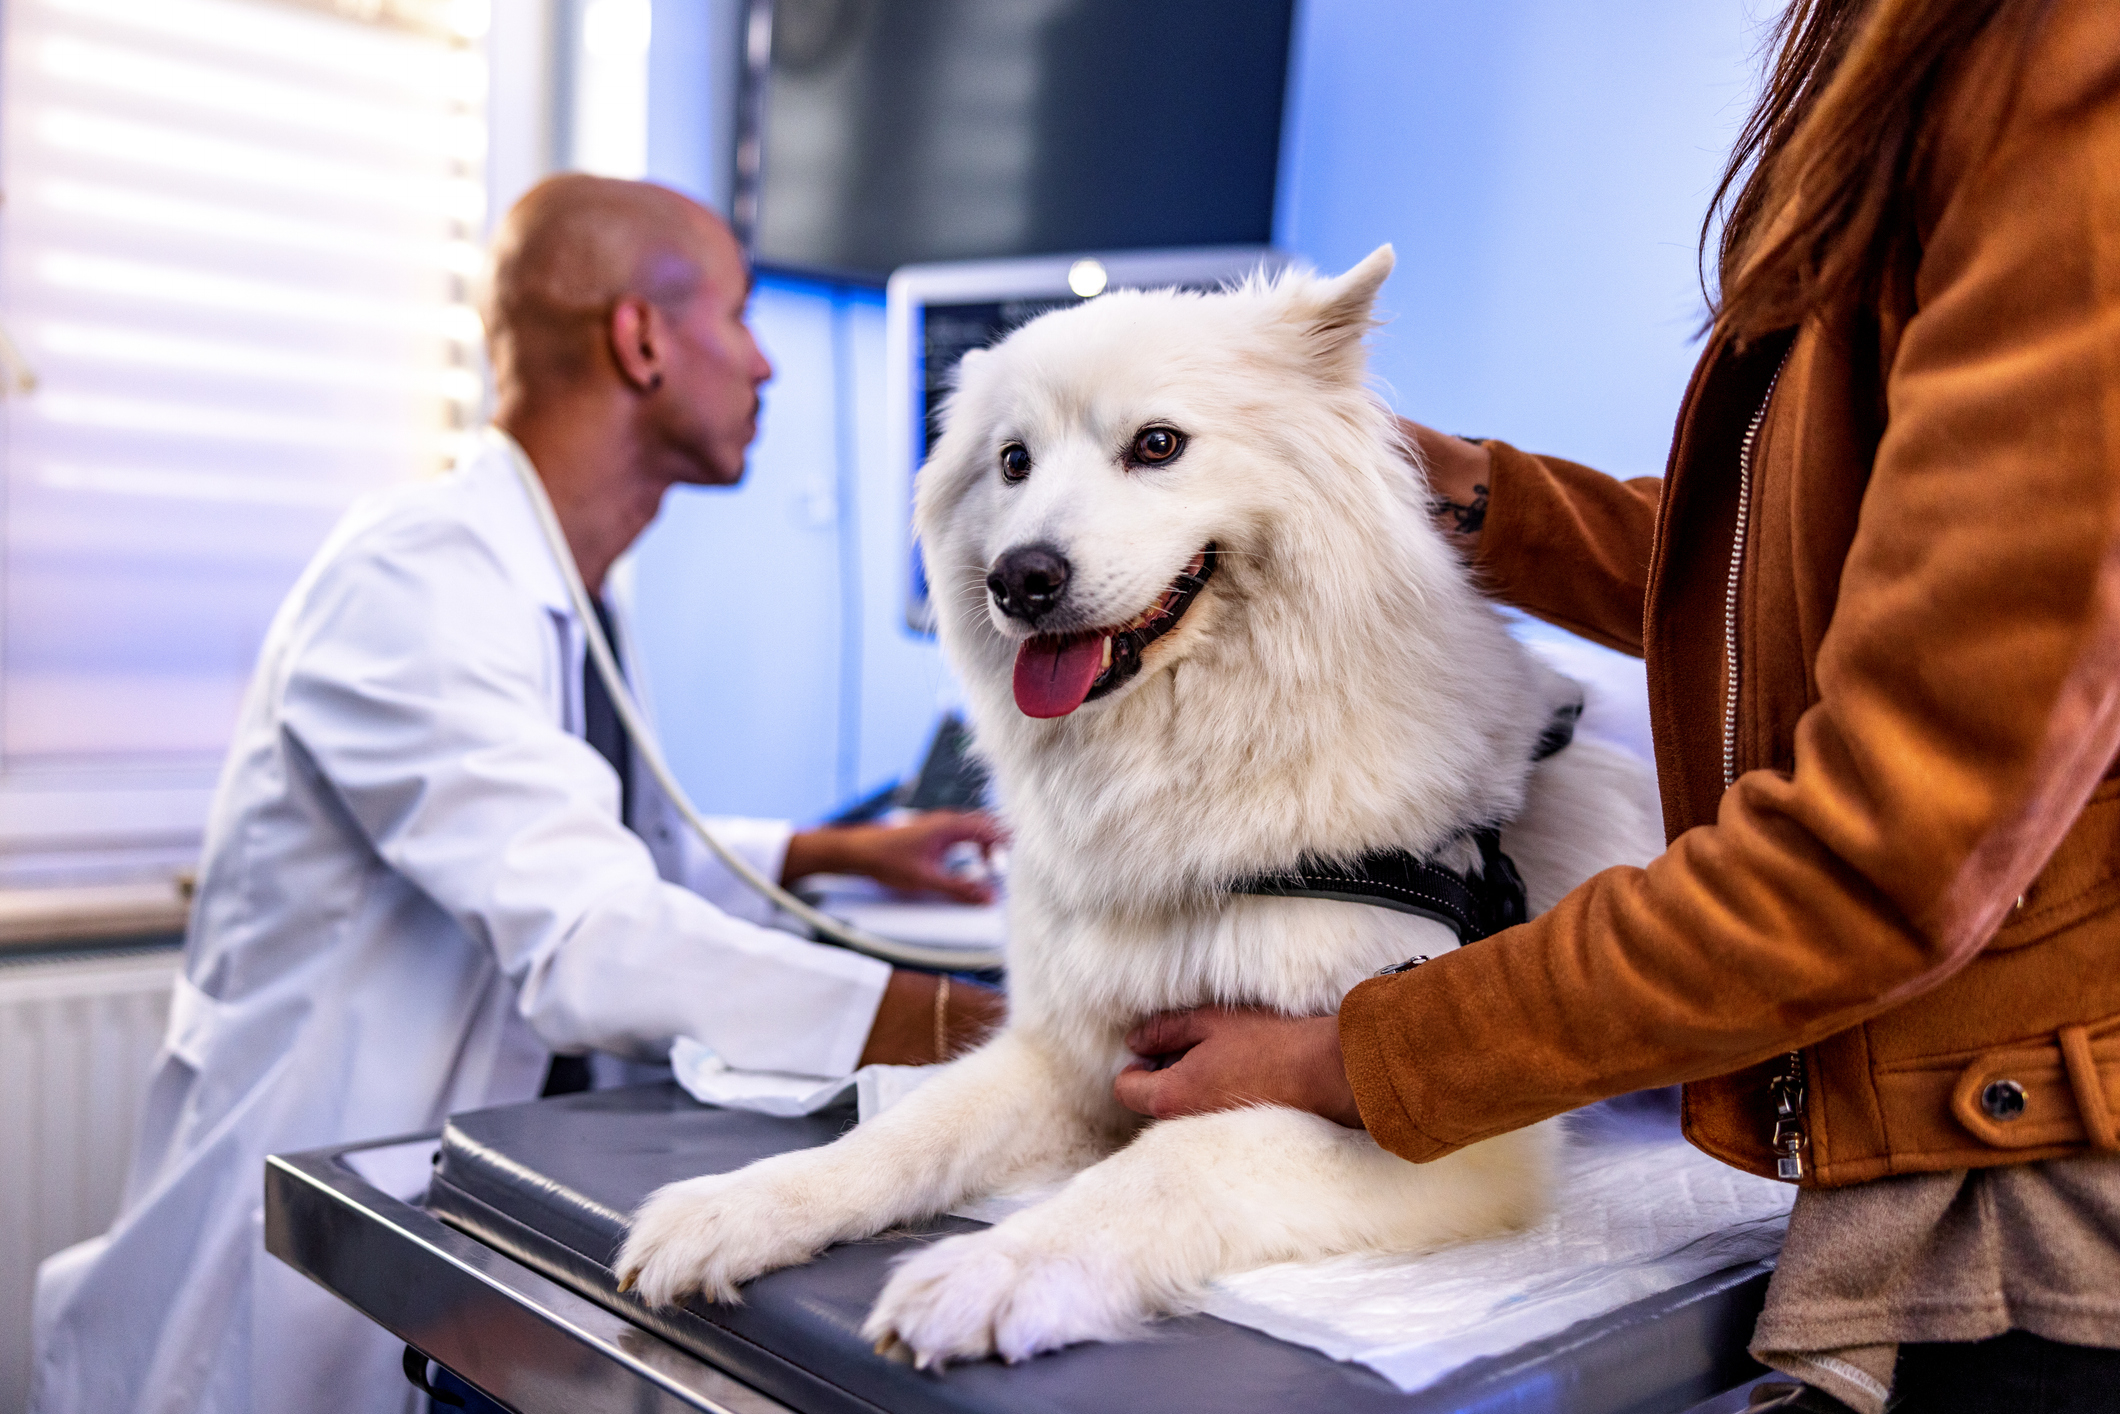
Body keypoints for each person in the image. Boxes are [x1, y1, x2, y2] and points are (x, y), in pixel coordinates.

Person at [1115, 2, 2120, 1411]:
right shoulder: (1932, 64)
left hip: (2044, 1218)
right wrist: (1474, 499)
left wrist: (1363, 1050)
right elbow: (1825, 582)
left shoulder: (2062, 70)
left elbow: (1883, 852)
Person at [30, 174, 1004, 1414]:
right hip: (311, 1247)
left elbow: (606, 850)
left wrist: (835, 852)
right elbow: (593, 943)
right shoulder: (419, 581)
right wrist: (982, 1033)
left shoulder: (574, 590)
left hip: (468, 1196)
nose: (765, 364)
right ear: (640, 339)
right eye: (740, 314)